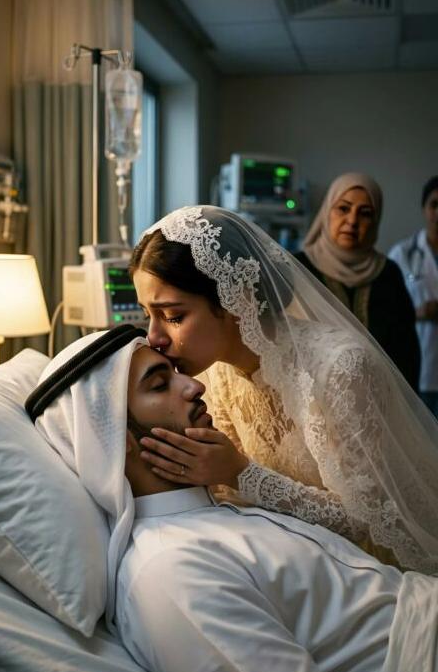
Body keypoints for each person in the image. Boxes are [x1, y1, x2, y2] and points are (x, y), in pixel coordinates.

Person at [28, 329, 438, 672]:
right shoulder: (170, 574)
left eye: (175, 373)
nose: (194, 386)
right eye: (159, 385)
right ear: (116, 438)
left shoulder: (216, 508)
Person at [129, 205, 438, 574]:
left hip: (372, 569)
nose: (154, 337)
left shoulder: (341, 368)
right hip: (287, 561)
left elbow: (367, 521)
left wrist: (241, 474)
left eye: (173, 316)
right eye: (147, 314)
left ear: (236, 298)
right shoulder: (215, 374)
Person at [295, 172, 420, 390]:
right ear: (327, 211)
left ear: (375, 221)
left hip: (381, 401)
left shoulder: (388, 273)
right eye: (343, 208)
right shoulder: (297, 267)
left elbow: (407, 355)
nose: (352, 221)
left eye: (365, 213)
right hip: (310, 399)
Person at [389, 176, 438, 418]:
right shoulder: (402, 254)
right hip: (420, 369)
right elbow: (388, 311)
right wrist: (419, 312)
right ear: (424, 208)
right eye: (434, 204)